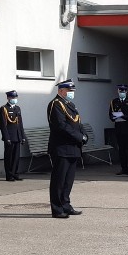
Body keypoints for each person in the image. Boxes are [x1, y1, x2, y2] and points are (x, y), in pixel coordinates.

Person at [47, 80, 86, 218]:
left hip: (73, 147)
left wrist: (83, 135)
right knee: (59, 179)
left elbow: (77, 123)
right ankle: (57, 209)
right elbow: (61, 126)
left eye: (72, 91)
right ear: (61, 91)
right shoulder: (56, 104)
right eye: (69, 91)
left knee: (68, 180)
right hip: (61, 148)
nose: (71, 93)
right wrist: (78, 137)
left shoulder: (70, 104)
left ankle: (66, 205)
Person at [109, 84, 128, 175]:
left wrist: (125, 116)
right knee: (121, 150)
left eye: (123, 91)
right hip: (119, 129)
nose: (121, 92)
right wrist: (113, 117)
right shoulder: (114, 101)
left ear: (126, 92)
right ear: (118, 91)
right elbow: (110, 114)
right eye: (120, 91)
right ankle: (124, 168)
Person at [0, 90, 25, 181]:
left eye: (15, 97)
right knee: (9, 157)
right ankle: (9, 175)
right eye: (13, 97)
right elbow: (3, 125)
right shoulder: (4, 109)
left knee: (16, 157)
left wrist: (22, 136)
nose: (14, 99)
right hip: (9, 137)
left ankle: (15, 174)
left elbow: (20, 124)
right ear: (8, 98)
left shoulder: (17, 108)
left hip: (17, 136)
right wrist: (6, 138)